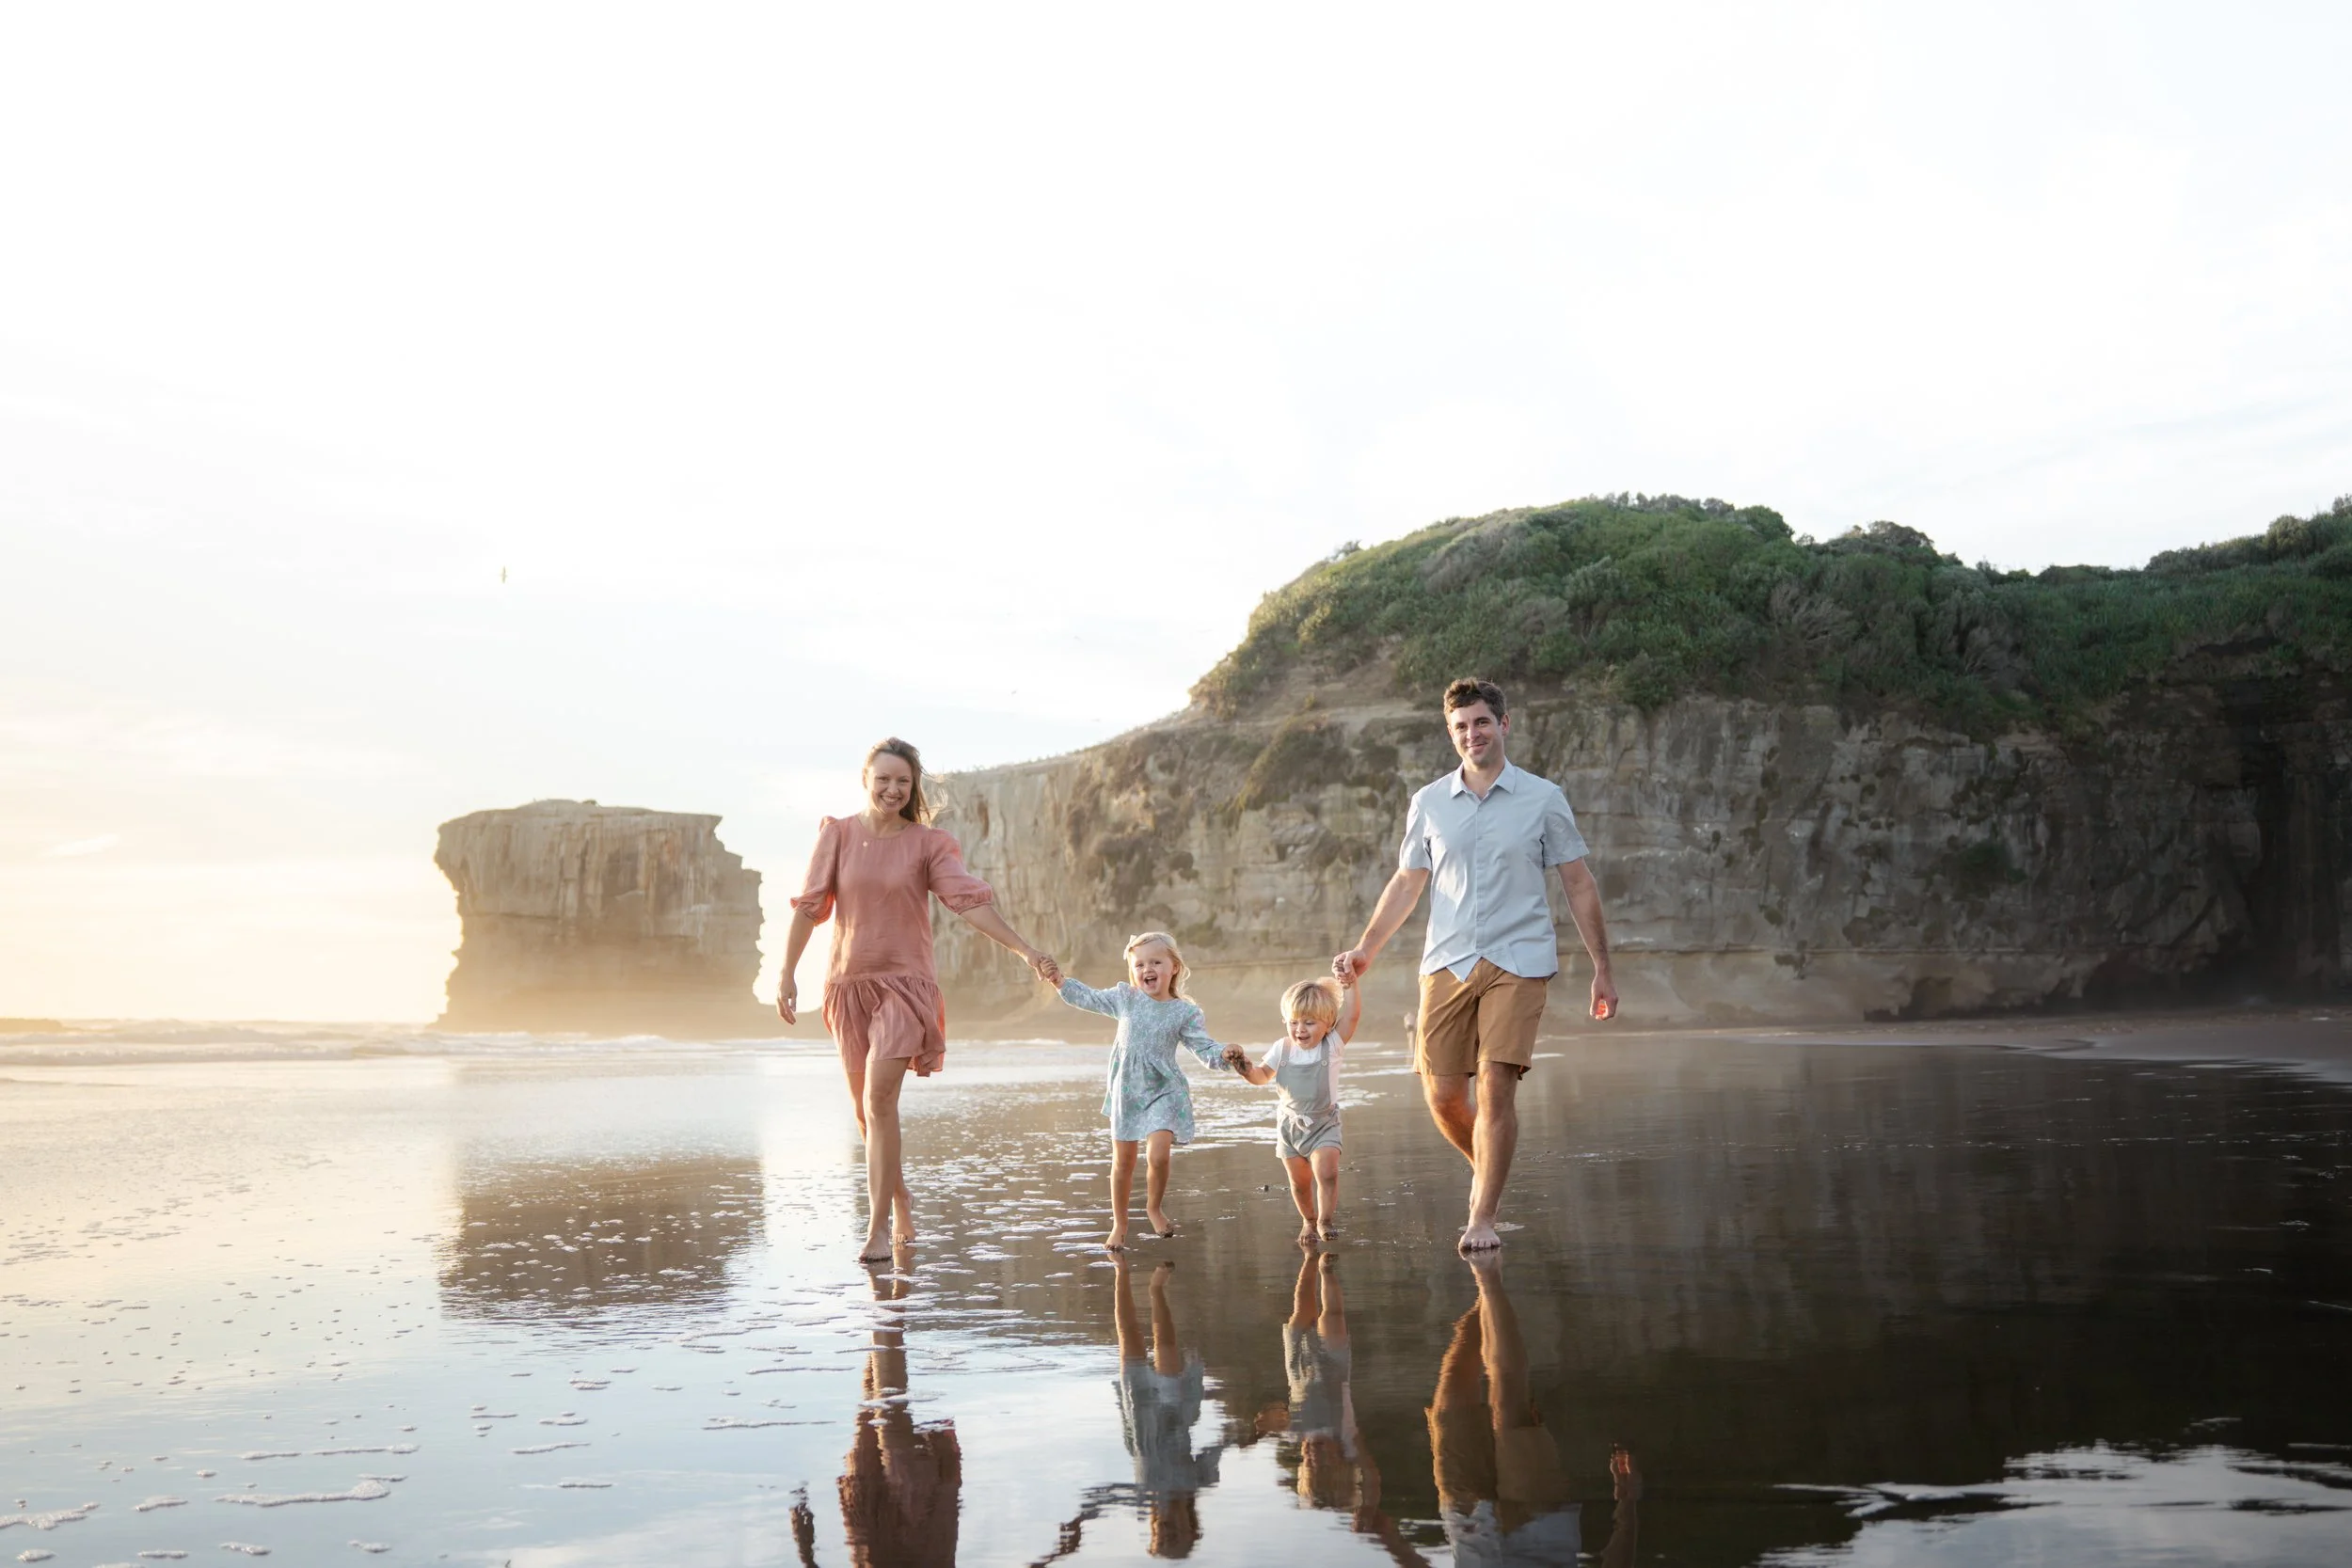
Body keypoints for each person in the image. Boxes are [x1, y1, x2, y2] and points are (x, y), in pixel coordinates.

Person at [1333, 678, 1617, 1252]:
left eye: (1482, 722)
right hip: (1448, 960)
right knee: (1442, 1095)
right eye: (1461, 726)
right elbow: (1407, 882)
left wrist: (1602, 969)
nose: (1472, 734)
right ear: (1450, 733)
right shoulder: (1429, 802)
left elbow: (1579, 884)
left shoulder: (1543, 798)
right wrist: (1366, 949)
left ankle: (1482, 1216)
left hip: (1520, 959)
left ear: (1504, 724)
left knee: (1494, 1086)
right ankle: (1488, 1170)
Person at [780, 736, 1057, 1260]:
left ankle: (877, 1228)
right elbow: (809, 907)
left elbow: (968, 903)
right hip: (847, 987)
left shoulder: (929, 844)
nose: (893, 789)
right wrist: (787, 973)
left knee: (880, 1100)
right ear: (866, 779)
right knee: (866, 1114)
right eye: (884, 779)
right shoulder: (837, 835)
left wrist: (1025, 951)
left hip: (905, 986)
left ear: (913, 787)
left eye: (903, 782)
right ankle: (900, 1197)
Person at [1426, 1255, 1641, 1567]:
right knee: (1509, 1400)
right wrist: (1627, 1504)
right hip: (1540, 1534)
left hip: (1468, 1530)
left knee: (1452, 1393)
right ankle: (1488, 1272)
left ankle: (1486, 1285)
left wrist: (1389, 1538)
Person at [1050, 931, 1236, 1250]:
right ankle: (1119, 1224)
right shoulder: (1126, 998)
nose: (1147, 969)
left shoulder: (1184, 1012)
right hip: (1127, 1090)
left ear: (1174, 967)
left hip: (1164, 1088)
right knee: (1123, 1163)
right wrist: (1059, 981)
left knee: (1158, 1154)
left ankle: (1154, 1208)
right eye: (1139, 964)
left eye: (1156, 962)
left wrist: (1225, 1054)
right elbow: (1089, 998)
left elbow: (1203, 1048)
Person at [791, 1243, 962, 1568]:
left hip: (869, 1522)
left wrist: (806, 1547)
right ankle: (884, 1278)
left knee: (875, 1404)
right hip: (919, 1526)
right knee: (887, 1409)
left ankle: (884, 1276)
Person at [1225, 974, 1361, 1244]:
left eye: (1309, 1023)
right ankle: (1308, 1221)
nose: (1300, 1029)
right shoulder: (1282, 1048)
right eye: (1293, 1022)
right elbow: (1261, 1076)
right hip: (1289, 1128)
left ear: (1328, 1024)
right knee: (1299, 1184)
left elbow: (1353, 1016)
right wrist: (1244, 1068)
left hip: (1324, 1124)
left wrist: (1352, 985)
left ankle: (1325, 1220)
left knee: (1327, 1173)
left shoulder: (1332, 1045)